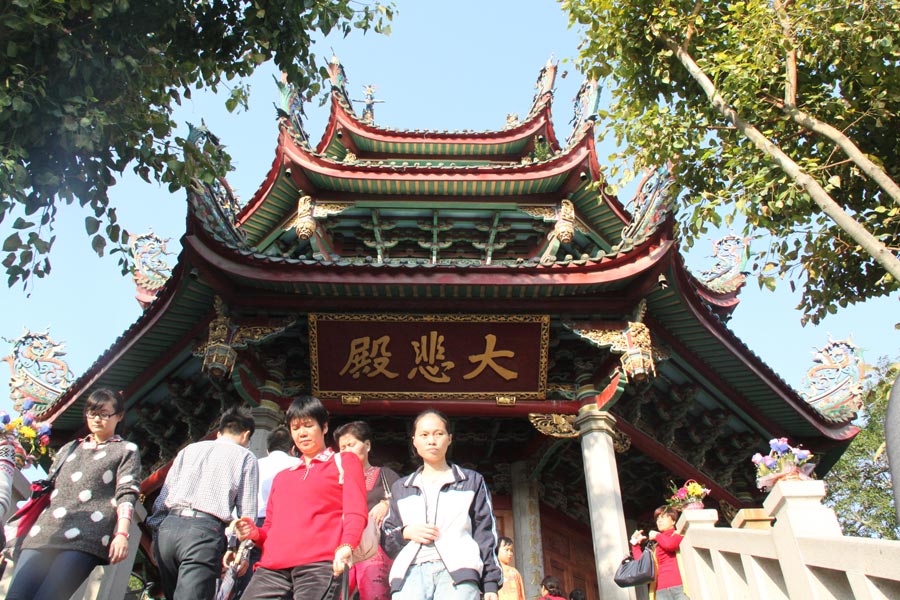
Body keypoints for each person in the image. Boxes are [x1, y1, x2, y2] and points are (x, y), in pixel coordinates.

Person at [6, 388, 142, 600]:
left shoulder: (126, 450)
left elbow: (127, 492)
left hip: (87, 536)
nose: (97, 419)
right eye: (92, 413)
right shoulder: (69, 449)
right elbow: (47, 490)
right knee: (16, 596)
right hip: (43, 533)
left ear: (119, 415)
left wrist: (122, 534)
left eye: (104, 414)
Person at [234, 395, 367, 599]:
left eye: (308, 425)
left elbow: (355, 511)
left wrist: (347, 544)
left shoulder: (344, 461)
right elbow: (270, 528)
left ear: (324, 427)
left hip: (320, 564)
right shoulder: (282, 477)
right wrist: (255, 533)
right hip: (271, 568)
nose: (302, 433)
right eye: (295, 428)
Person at [382, 409, 502, 600]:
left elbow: (485, 533)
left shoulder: (471, 481)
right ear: (414, 440)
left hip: (458, 574)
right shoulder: (401, 487)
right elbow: (387, 536)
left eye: (439, 434)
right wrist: (406, 532)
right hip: (409, 576)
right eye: (424, 435)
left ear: (449, 438)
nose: (432, 440)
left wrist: (490, 584)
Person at [151, 406, 259, 600]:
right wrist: (242, 552)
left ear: (219, 432)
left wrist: (156, 533)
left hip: (168, 529)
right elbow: (246, 515)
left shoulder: (189, 449)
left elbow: (162, 497)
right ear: (246, 435)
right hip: (203, 533)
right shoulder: (246, 456)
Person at [231, 425, 300, 599]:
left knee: (250, 575)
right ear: (293, 449)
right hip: (286, 527)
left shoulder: (255, 464)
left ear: (268, 450)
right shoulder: (299, 465)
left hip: (254, 525)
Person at [334, 420, 400, 600]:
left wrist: (386, 504)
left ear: (367, 445)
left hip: (374, 548)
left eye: (351, 444)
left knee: (374, 593)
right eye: (342, 447)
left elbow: (406, 502)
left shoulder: (386, 475)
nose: (347, 450)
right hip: (341, 546)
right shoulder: (335, 477)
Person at [630, 505, 690, 600]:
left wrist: (657, 535)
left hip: (680, 586)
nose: (659, 521)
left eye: (663, 518)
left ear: (673, 521)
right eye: (657, 519)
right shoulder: (655, 546)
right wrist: (635, 545)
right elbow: (643, 565)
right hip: (660, 590)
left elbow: (670, 545)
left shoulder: (677, 535)